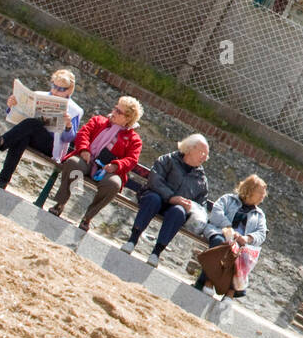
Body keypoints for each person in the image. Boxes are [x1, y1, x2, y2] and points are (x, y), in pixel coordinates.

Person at [48, 96, 144, 231]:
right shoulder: (98, 121)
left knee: (113, 184)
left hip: (107, 170)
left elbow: (132, 159)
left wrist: (115, 165)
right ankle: (60, 203)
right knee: (74, 163)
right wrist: (84, 150)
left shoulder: (134, 139)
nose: (114, 112)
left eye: (119, 112)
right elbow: (83, 134)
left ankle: (88, 217)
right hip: (88, 159)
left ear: (128, 119)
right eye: (115, 108)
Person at [121, 134, 209, 267]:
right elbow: (155, 180)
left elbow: (201, 204)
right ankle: (132, 240)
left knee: (179, 212)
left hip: (174, 209)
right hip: (156, 196)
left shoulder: (201, 179)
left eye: (206, 155)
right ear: (190, 148)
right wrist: (171, 197)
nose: (204, 157)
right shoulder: (169, 159)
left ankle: (156, 253)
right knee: (153, 199)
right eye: (202, 152)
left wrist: (190, 207)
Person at [0, 68, 82, 189]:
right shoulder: (39, 95)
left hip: (52, 145)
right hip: (33, 136)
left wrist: (68, 125)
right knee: (23, 137)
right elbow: (20, 119)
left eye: (61, 89)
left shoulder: (75, 110)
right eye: (54, 86)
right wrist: (12, 106)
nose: (56, 91)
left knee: (32, 124)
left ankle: (2, 141)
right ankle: (2, 181)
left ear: (70, 91)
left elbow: (68, 138)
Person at [195, 174, 268, 299]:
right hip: (220, 232)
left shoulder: (259, 214)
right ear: (250, 191)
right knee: (221, 243)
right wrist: (230, 229)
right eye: (260, 192)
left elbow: (261, 233)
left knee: (243, 254)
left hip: (241, 242)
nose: (263, 196)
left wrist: (247, 238)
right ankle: (207, 282)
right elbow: (216, 213)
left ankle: (229, 294)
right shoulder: (228, 199)